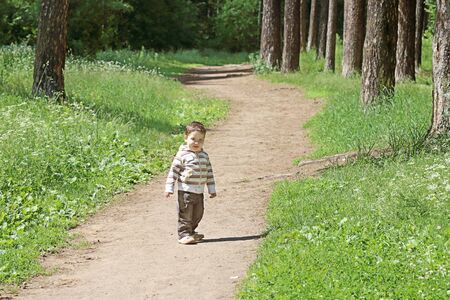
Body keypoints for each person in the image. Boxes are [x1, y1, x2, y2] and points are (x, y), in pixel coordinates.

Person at [165, 121, 217, 244]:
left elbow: (209, 173)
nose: (196, 143)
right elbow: (173, 172)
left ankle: (191, 232)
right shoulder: (182, 155)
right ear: (186, 138)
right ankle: (184, 234)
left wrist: (212, 189)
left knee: (198, 214)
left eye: (200, 140)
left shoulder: (204, 156)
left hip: (199, 192)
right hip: (186, 191)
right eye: (193, 139)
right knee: (186, 213)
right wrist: (169, 187)